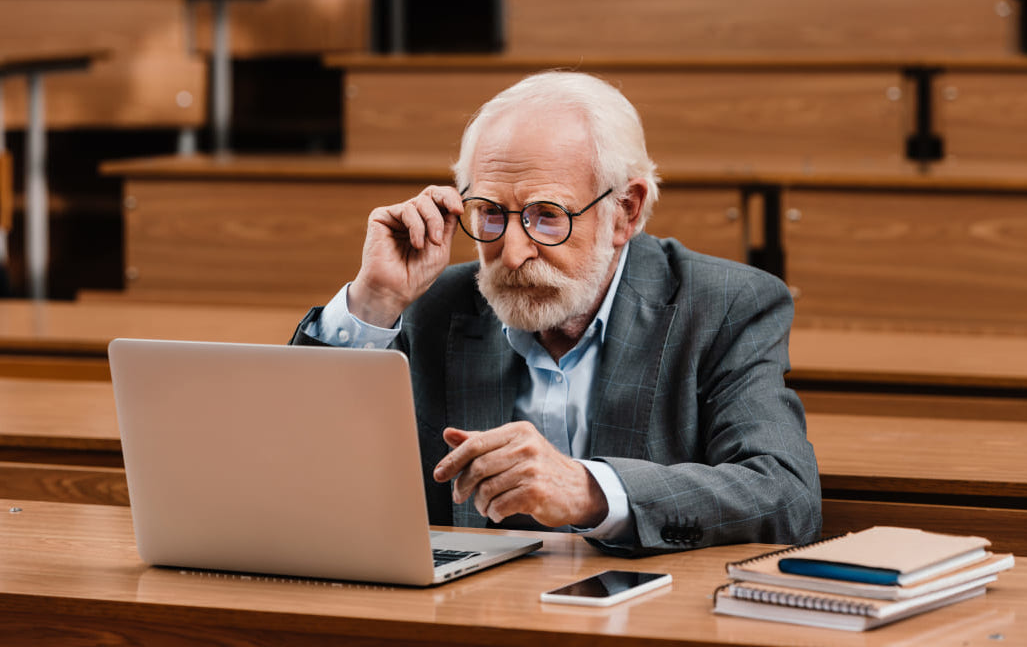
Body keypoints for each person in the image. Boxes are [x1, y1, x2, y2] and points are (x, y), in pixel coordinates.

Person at [291, 71, 821, 556]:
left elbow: (785, 494)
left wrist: (589, 491)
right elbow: (294, 468)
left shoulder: (725, 305)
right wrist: (375, 301)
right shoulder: (427, 305)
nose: (513, 253)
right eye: (490, 213)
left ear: (626, 211)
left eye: (547, 216)